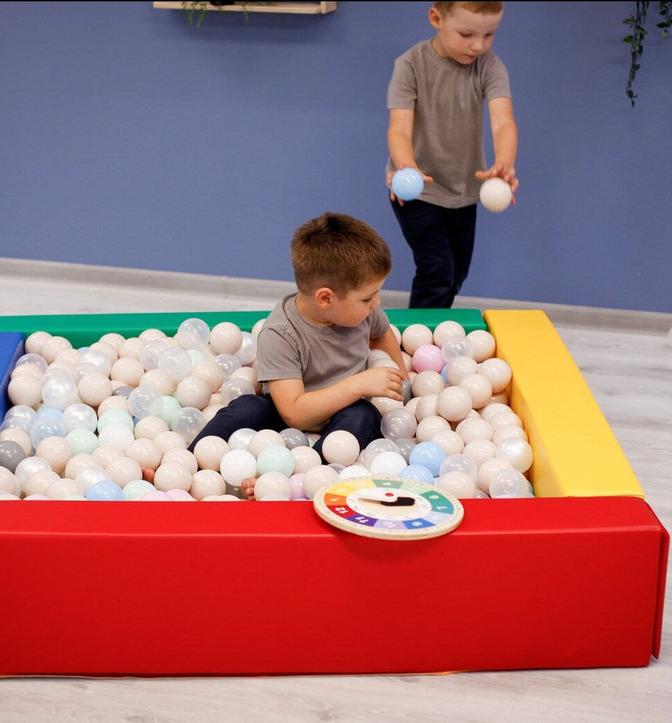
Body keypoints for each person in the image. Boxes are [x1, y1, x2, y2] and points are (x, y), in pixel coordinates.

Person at [186, 212, 410, 498]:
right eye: (368, 298)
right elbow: (294, 413)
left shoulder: (364, 313)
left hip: (344, 414)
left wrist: (399, 376)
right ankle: (189, 466)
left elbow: (382, 332)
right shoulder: (280, 333)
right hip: (289, 413)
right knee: (246, 408)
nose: (377, 303)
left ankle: (303, 482)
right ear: (326, 299)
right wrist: (361, 383)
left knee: (362, 416)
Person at [386, 1, 519, 309]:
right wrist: (408, 168)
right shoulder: (410, 65)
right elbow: (400, 130)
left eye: (489, 35)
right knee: (437, 269)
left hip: (463, 193)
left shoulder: (489, 66)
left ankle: (436, 333)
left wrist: (504, 163)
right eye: (467, 33)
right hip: (417, 191)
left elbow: (503, 122)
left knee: (457, 272)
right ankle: (418, 341)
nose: (478, 45)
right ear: (436, 18)